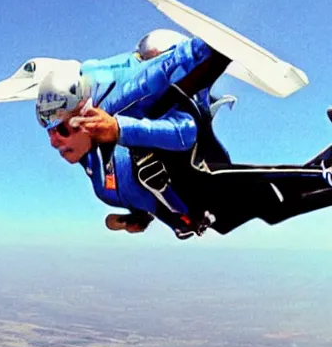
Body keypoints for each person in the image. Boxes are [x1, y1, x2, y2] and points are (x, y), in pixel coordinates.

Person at [35, 34, 332, 239]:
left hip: (202, 176)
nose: (54, 142)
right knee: (277, 207)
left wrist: (119, 129)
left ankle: (217, 58)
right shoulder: (97, 170)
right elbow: (142, 198)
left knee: (285, 182)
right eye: (50, 134)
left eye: (61, 131)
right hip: (204, 213)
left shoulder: (129, 108)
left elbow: (183, 131)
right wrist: (136, 220)